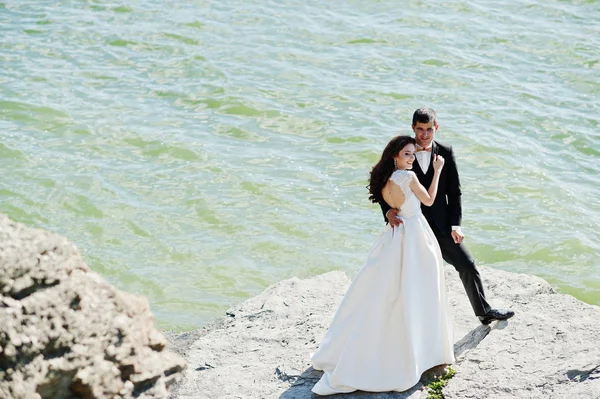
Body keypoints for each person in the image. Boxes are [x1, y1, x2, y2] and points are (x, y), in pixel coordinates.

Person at [311, 135, 455, 395]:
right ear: (395, 156)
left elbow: (388, 203)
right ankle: (423, 350)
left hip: (394, 237)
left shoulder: (383, 180)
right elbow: (430, 200)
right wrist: (437, 171)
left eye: (412, 154)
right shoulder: (408, 178)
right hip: (414, 237)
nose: (411, 159)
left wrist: (389, 211)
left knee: (390, 290)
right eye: (407, 154)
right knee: (420, 289)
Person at [381, 107, 514, 325]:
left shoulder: (446, 152)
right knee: (406, 277)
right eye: (420, 129)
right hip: (410, 227)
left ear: (437, 128)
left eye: (429, 129)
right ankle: (398, 323)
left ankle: (484, 311)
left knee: (467, 264)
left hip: (442, 227)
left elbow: (454, 191)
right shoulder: (402, 151)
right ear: (413, 128)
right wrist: (387, 210)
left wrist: (456, 225)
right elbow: (381, 184)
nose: (424, 134)